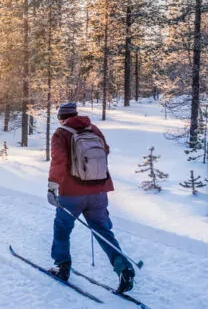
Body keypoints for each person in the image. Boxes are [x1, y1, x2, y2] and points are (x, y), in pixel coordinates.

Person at [46, 102, 135, 293]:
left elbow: (59, 161)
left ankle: (62, 267)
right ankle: (123, 268)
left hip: (71, 193)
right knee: (103, 231)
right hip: (98, 192)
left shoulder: (61, 133)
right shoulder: (93, 129)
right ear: (75, 114)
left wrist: (52, 187)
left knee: (62, 229)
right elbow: (106, 151)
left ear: (61, 117)